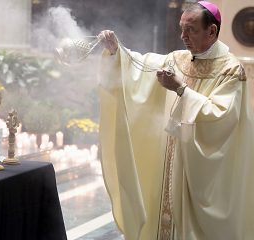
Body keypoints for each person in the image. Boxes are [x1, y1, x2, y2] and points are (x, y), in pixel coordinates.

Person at [97, 1, 254, 239]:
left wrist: (181, 89)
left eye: (191, 29)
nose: (183, 36)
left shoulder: (231, 70)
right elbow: (141, 66)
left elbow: (221, 117)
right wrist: (117, 51)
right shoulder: (178, 59)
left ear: (211, 31)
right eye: (181, 28)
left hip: (202, 171)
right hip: (170, 164)